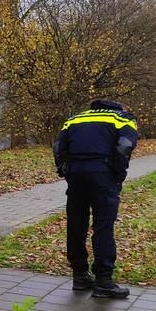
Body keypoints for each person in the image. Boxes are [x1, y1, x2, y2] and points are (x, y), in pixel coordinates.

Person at [53, 99, 138, 298]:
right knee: (103, 226)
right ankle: (103, 281)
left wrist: (64, 169)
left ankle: (80, 275)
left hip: (76, 175)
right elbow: (124, 146)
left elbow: (58, 147)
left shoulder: (75, 119)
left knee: (76, 224)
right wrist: (118, 173)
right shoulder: (122, 118)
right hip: (103, 173)